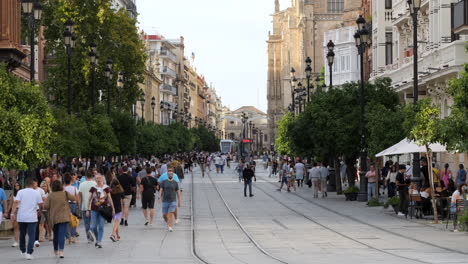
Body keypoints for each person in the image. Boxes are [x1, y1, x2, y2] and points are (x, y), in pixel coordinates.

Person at [10, 177, 44, 260]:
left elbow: (16, 202)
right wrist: (40, 211)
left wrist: (12, 213)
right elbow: (41, 204)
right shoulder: (36, 193)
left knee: (22, 233)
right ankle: (29, 252)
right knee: (32, 235)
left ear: (25, 184)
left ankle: (22, 250)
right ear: (32, 184)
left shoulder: (20, 192)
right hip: (32, 217)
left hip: (21, 217)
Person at [44, 180, 76, 258]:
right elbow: (74, 198)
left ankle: (55, 250)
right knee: (62, 234)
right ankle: (61, 251)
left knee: (56, 235)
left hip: (54, 218)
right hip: (64, 217)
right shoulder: (65, 193)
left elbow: (46, 206)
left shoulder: (50, 195)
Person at [87, 174, 115, 248]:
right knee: (93, 226)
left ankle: (99, 241)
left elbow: (109, 198)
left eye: (99, 178)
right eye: (96, 178)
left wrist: (113, 208)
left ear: (102, 178)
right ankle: (97, 238)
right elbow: (89, 199)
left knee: (101, 226)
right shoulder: (93, 188)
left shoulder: (106, 188)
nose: (98, 179)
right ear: (95, 180)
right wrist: (87, 209)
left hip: (103, 209)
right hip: (94, 209)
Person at [78, 170, 96, 243]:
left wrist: (79, 205)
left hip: (84, 206)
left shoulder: (82, 184)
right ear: (92, 176)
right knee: (94, 222)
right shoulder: (95, 183)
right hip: (93, 206)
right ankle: (91, 231)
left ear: (85, 176)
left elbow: (80, 196)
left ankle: (88, 238)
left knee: (86, 223)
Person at [63, 173, 79, 244]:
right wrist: (78, 205)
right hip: (73, 205)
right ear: (70, 180)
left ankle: (67, 237)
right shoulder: (74, 188)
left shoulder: (63, 189)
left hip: (65, 205)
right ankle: (72, 236)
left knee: (66, 221)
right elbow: (77, 198)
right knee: (73, 220)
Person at [8, 182, 21, 247]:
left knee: (22, 227)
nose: (17, 186)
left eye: (18, 185)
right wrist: (8, 211)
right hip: (14, 211)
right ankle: (16, 241)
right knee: (15, 226)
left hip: (21, 211)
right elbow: (10, 204)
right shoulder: (13, 194)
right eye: (15, 185)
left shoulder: (22, 193)